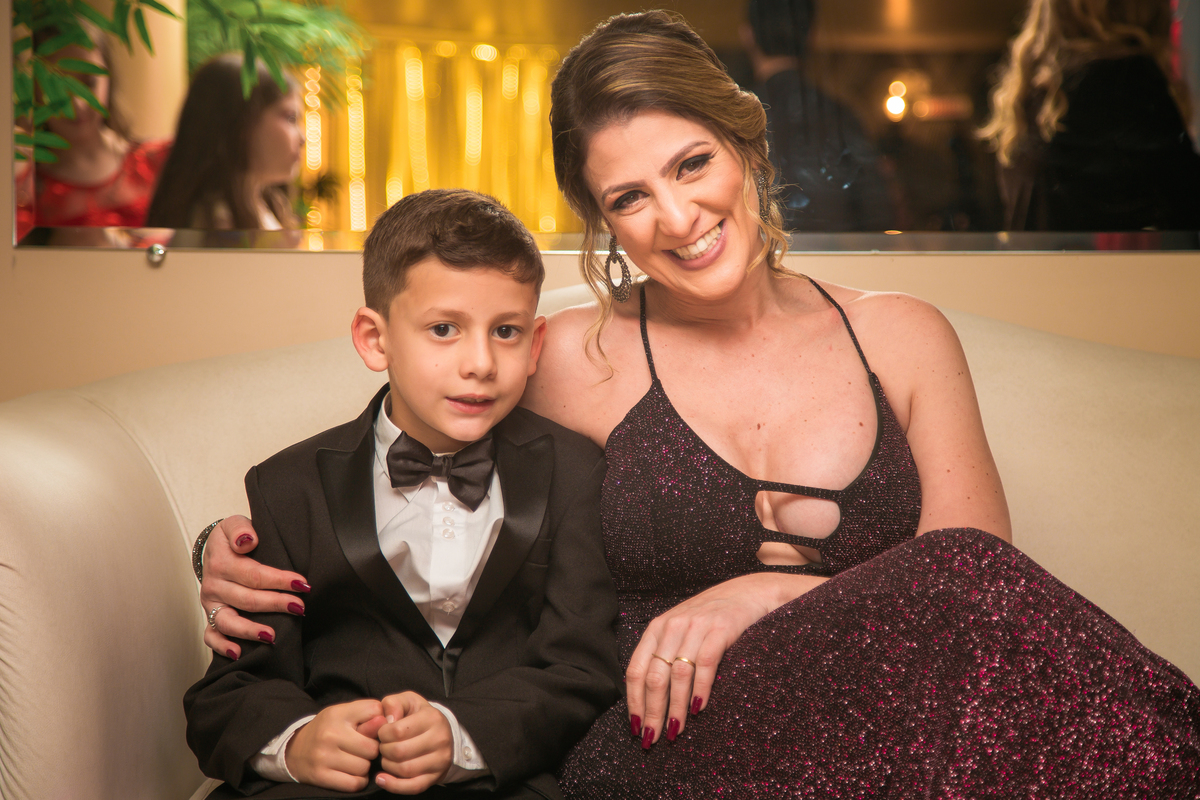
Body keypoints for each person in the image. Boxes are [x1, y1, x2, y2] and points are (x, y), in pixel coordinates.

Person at [196, 11, 1200, 798]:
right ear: (600, 220)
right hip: (666, 743)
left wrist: (765, 592)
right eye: (629, 198)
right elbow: (408, 457)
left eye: (692, 164)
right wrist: (227, 545)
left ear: (747, 144)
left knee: (969, 626)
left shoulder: (903, 335)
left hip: (907, 726)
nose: (677, 218)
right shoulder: (568, 356)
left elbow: (977, 577)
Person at [183, 189, 620, 799]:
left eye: (506, 331)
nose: (480, 362)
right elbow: (228, 693)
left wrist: (462, 735)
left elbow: (581, 670)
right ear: (374, 338)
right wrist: (298, 742)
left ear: (535, 344)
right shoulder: (288, 485)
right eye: (444, 329)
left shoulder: (574, 471)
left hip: (498, 781)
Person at [980, 0, 1200, 230]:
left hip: (1038, 254)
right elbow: (1186, 198)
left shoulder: (1030, 94)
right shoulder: (1124, 79)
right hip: (1100, 254)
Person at [742, 0, 896, 231]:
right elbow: (878, 211)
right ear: (812, 35)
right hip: (837, 253)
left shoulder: (733, 118)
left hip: (760, 252)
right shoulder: (841, 117)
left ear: (748, 35)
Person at [14, 25, 171, 239]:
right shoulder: (25, 192)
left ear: (109, 77)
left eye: (89, 83)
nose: (78, 103)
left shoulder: (158, 163)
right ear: (34, 89)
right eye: (58, 88)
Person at [146, 54, 303, 230]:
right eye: (290, 118)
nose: (302, 139)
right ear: (242, 121)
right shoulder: (216, 222)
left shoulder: (268, 204)